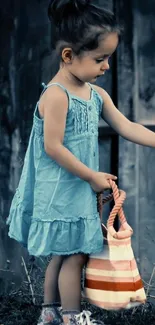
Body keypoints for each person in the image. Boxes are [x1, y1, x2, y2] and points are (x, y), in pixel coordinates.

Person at [7, 0, 155, 324]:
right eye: (100, 59)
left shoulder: (97, 95)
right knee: (75, 255)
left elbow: (126, 125)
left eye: (109, 59)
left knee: (62, 254)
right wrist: (90, 176)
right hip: (61, 189)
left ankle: (49, 314)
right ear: (69, 56)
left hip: (77, 189)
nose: (106, 67)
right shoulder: (57, 95)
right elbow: (53, 147)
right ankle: (72, 317)